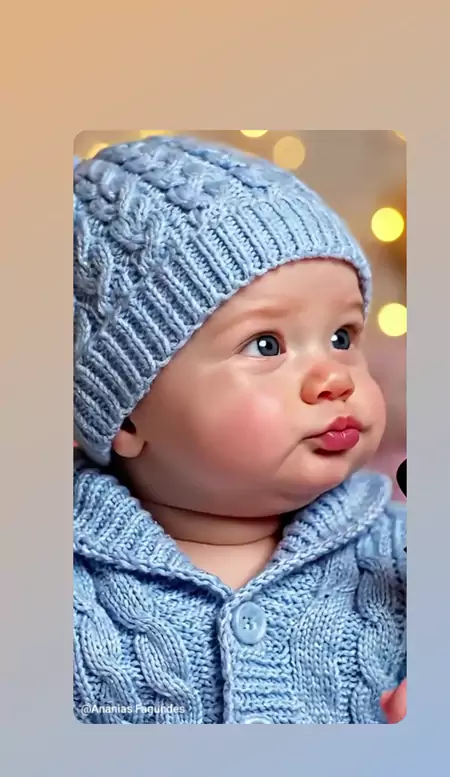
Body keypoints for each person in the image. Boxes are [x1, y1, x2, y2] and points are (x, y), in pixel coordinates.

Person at [74, 134, 406, 724]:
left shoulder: (402, 555)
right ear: (125, 415)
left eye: (342, 337)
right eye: (266, 345)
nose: (334, 377)